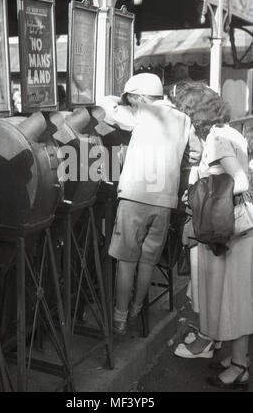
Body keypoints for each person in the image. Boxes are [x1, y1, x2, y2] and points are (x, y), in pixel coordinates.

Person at [98, 73, 201, 335]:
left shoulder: (142, 114)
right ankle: (135, 310)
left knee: (126, 260)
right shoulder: (183, 119)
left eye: (131, 99)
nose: (130, 104)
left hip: (135, 197)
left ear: (141, 97)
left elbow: (106, 108)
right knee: (147, 262)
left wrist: (116, 99)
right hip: (165, 200)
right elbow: (196, 152)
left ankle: (119, 318)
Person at [173, 83, 253, 390]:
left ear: (194, 114)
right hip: (238, 228)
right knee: (235, 296)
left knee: (233, 298)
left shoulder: (217, 138)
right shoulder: (229, 131)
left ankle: (239, 367)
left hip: (229, 230)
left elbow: (241, 181)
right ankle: (235, 357)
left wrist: (205, 200)